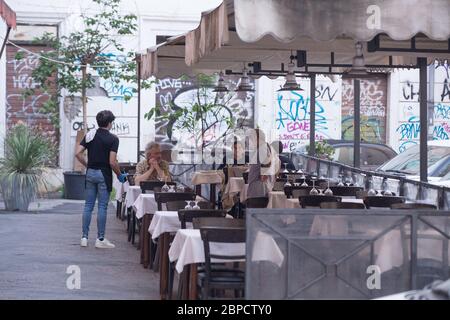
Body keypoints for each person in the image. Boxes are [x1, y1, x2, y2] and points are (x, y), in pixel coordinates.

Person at [75, 110, 126, 249]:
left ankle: (84, 238)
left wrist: (88, 165)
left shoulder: (90, 135)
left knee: (88, 206)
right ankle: (100, 239)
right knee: (102, 207)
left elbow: (77, 153)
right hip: (104, 174)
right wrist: (119, 175)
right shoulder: (113, 139)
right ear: (109, 123)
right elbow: (112, 162)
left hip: (90, 173)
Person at [247, 129, 280, 199]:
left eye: (252, 138)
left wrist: (264, 175)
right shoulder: (268, 147)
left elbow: (267, 163)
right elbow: (278, 163)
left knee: (256, 209)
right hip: (264, 186)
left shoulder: (263, 148)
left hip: (258, 187)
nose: (251, 142)